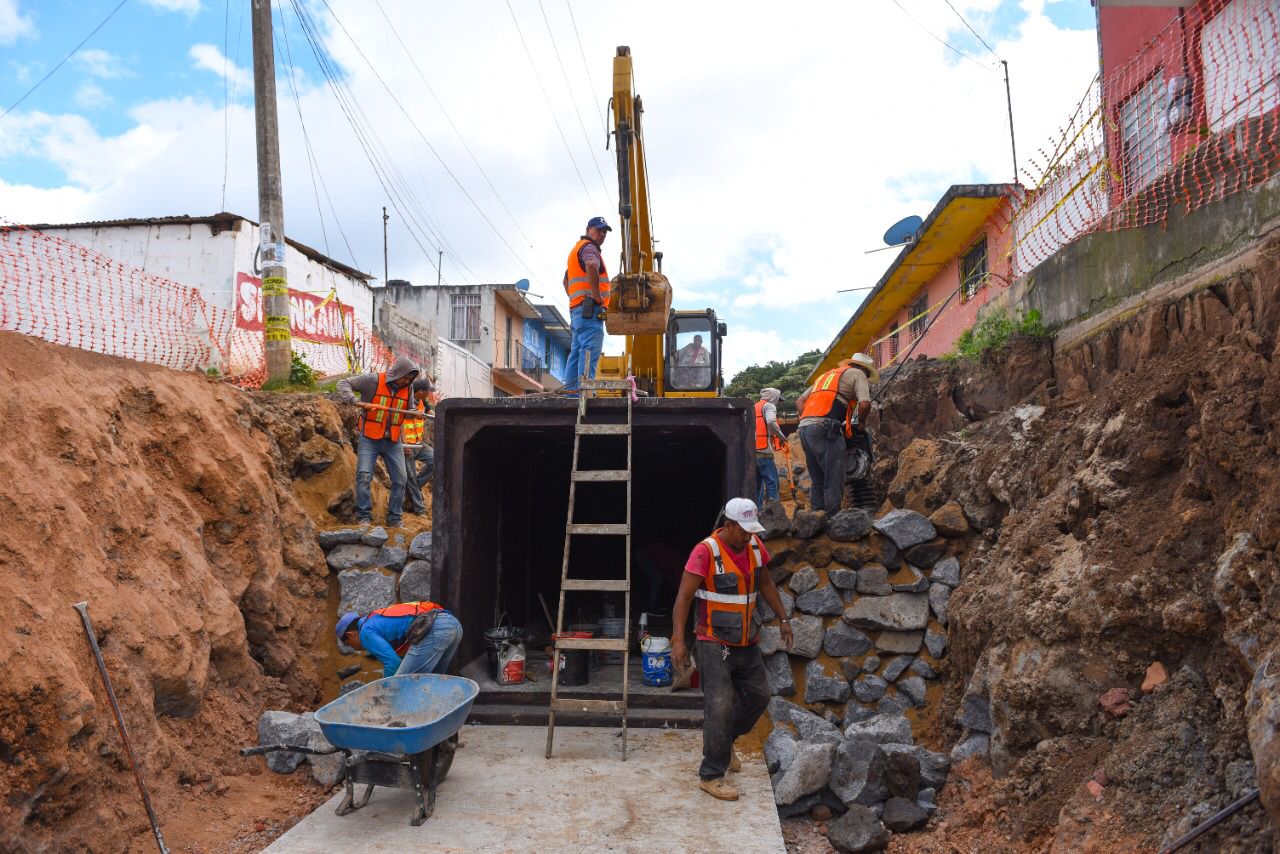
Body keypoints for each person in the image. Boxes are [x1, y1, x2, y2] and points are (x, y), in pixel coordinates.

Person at [671, 498, 793, 801]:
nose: (749, 535)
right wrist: (678, 640)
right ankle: (711, 775)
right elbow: (683, 598)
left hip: (746, 641)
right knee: (720, 704)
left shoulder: (754, 547)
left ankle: (725, 743)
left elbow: (766, 583)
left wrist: (783, 619)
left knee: (759, 696)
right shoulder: (705, 552)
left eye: (752, 530)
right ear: (728, 525)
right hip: (713, 642)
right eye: (743, 530)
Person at [336, 356, 421, 528]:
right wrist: (356, 402)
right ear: (397, 373)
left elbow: (407, 410)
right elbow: (343, 383)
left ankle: (395, 519)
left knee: (400, 480)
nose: (407, 382)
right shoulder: (372, 380)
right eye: (405, 378)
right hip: (370, 437)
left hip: (393, 441)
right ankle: (364, 517)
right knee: (364, 476)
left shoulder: (408, 388)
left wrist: (413, 413)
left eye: (410, 379)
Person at [794, 352, 878, 515]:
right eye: (868, 375)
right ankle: (833, 518)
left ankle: (817, 517)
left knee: (818, 478)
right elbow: (865, 404)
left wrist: (809, 418)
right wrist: (861, 422)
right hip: (826, 427)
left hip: (805, 428)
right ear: (864, 369)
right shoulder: (858, 373)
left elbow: (799, 401)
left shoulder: (826, 376)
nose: (866, 378)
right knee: (834, 476)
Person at [335, 601, 463, 679]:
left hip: (435, 628)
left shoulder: (365, 632)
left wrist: (386, 691)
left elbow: (392, 663)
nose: (356, 649)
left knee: (402, 684)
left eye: (349, 644)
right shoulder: (375, 618)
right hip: (453, 624)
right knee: (433, 682)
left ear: (351, 635)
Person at [562, 216, 612, 391]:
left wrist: (575, 300)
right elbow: (591, 265)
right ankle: (586, 394)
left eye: (604, 231)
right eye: (598, 230)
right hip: (590, 310)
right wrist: (596, 295)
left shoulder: (577, 249)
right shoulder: (590, 248)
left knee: (576, 353)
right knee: (589, 350)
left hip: (579, 311)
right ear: (588, 229)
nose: (602, 234)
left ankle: (572, 395)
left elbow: (565, 280)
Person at [402, 377, 436, 516]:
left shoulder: (422, 402)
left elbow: (431, 413)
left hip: (419, 443)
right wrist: (404, 443)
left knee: (436, 459)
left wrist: (436, 415)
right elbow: (399, 422)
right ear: (421, 392)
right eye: (428, 391)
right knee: (410, 476)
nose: (429, 394)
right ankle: (419, 509)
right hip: (406, 444)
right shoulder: (404, 401)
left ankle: (410, 491)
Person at [754, 388, 787, 506]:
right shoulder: (769, 406)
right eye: (777, 400)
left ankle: (756, 511)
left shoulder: (755, 406)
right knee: (772, 482)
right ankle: (773, 511)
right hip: (764, 452)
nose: (777, 403)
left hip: (751, 452)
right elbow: (771, 421)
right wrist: (782, 437)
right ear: (773, 397)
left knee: (757, 485)